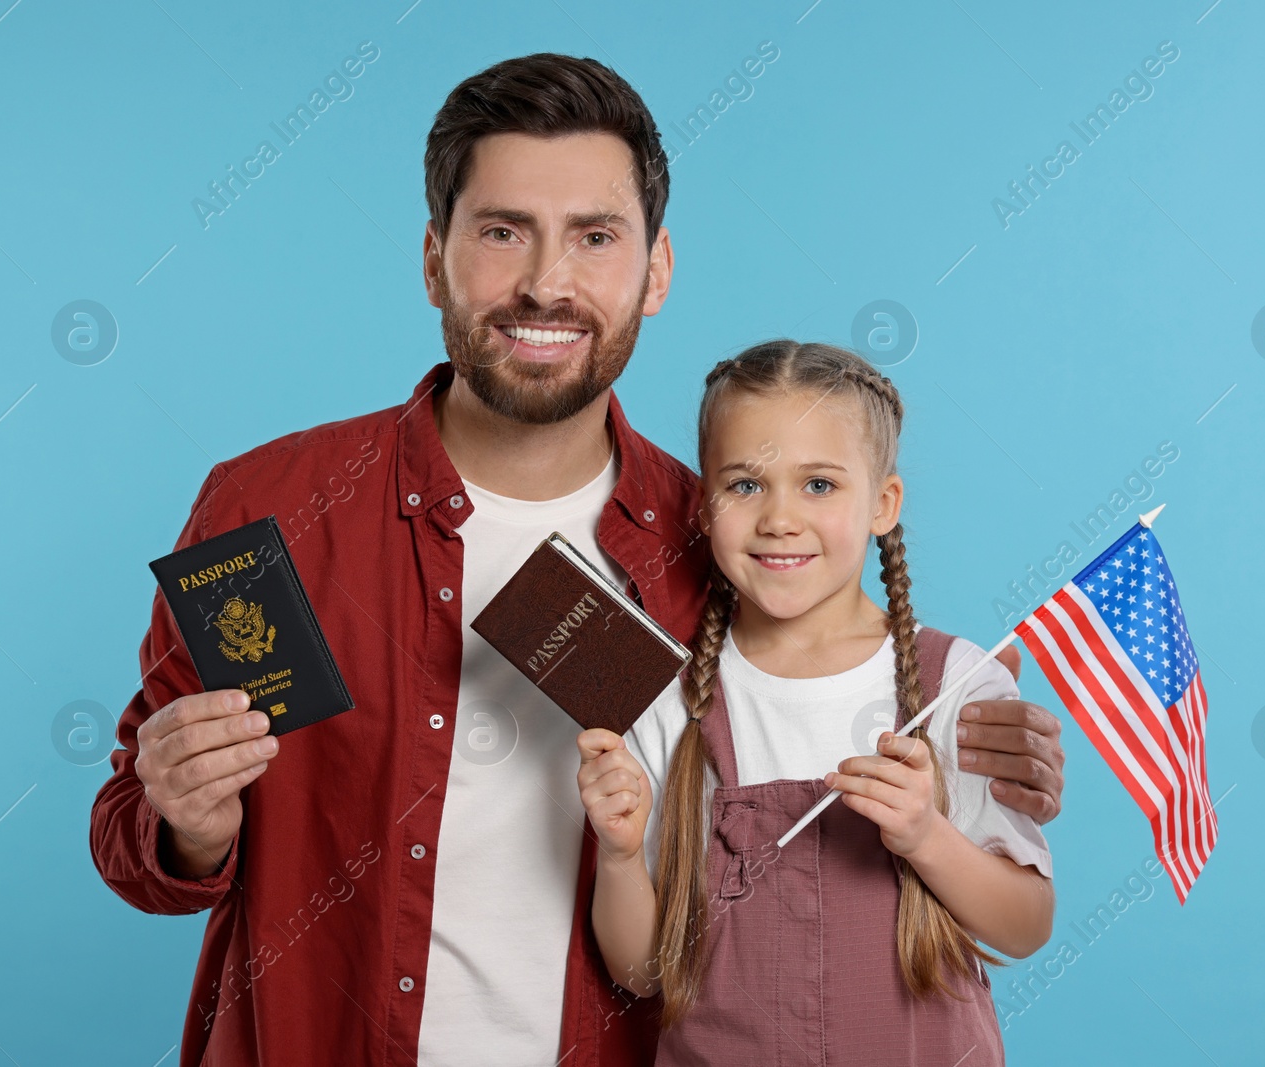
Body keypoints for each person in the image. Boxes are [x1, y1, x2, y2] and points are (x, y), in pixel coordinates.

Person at [89, 55, 1066, 1067]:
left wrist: (970, 760)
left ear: (656, 271)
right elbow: (133, 835)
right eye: (502, 231)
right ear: (433, 259)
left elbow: (836, 760)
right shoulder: (268, 509)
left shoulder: (727, 550)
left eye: (594, 237)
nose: (545, 283)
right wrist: (185, 821)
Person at [577, 341, 1054, 1064]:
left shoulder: (957, 681)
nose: (779, 518)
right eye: (745, 485)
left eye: (820, 485)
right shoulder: (671, 697)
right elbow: (640, 970)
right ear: (705, 505)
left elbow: (1025, 924)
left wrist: (926, 834)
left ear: (882, 505)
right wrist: (617, 854)